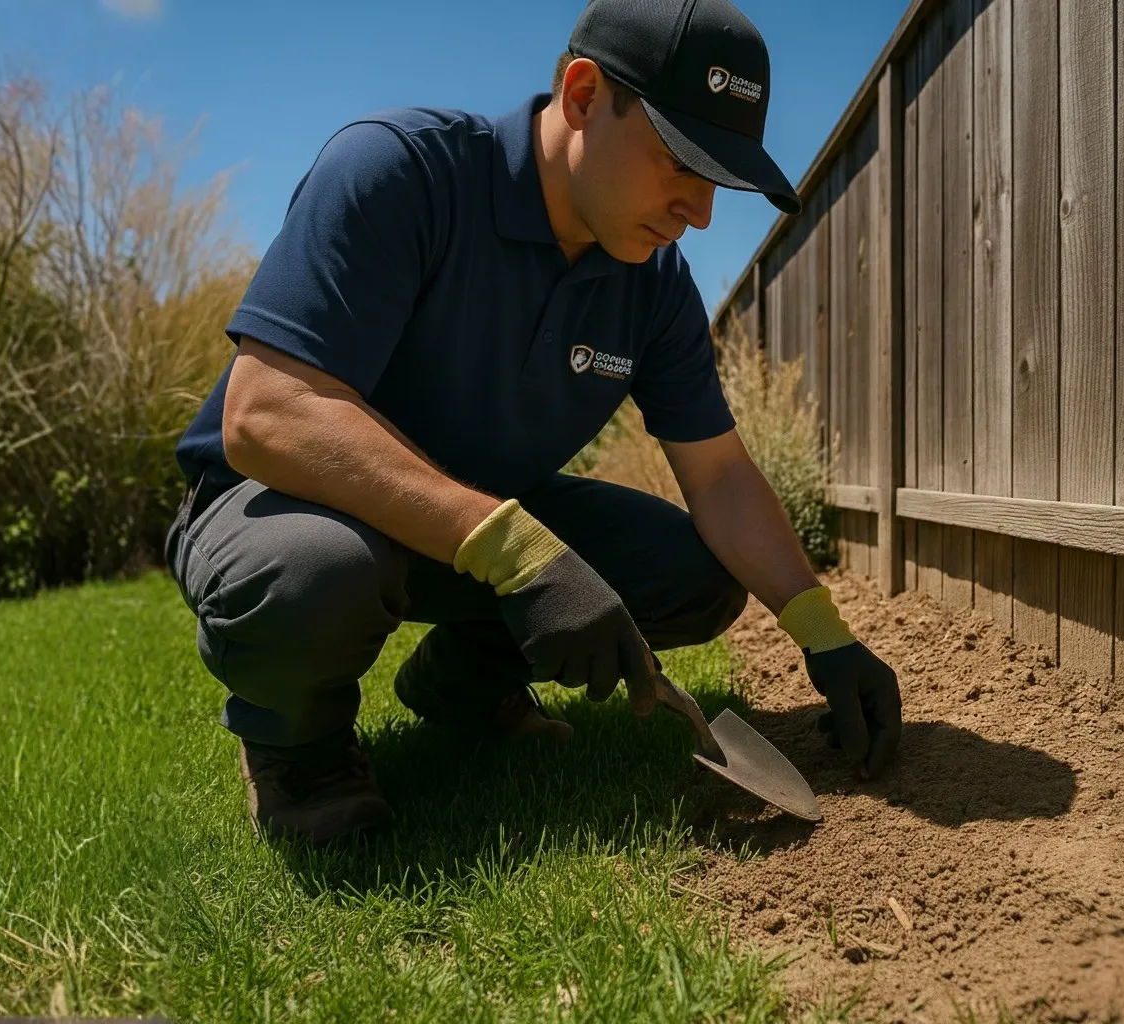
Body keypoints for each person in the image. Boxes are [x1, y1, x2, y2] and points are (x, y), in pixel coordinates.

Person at [164, 0, 902, 845]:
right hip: (287, 509)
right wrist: (517, 554)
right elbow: (268, 416)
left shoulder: (652, 283)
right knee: (316, 573)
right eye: (679, 163)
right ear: (584, 95)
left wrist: (824, 634)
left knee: (692, 573)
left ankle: (462, 690)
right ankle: (301, 752)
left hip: (474, 520)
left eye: (716, 181)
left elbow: (722, 476)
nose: (697, 212)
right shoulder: (401, 171)